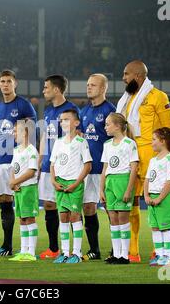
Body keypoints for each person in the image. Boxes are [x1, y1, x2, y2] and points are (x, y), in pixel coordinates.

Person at [116, 60, 170, 263]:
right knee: (131, 203)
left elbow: (169, 131)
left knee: (154, 203)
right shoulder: (127, 99)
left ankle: (158, 250)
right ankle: (132, 250)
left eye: (126, 74)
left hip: (153, 159)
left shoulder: (159, 97)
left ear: (138, 76)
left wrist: (168, 160)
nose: (123, 78)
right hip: (131, 158)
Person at [0, 69, 37, 257]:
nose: (5, 84)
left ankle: (26, 248)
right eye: (2, 81)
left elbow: (32, 131)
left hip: (18, 161)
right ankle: (7, 244)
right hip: (2, 162)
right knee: (5, 201)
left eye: (8, 81)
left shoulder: (24, 105)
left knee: (20, 204)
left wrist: (30, 158)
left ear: (15, 84)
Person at [39, 74, 80, 260]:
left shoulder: (71, 109)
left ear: (56, 89)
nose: (43, 91)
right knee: (49, 205)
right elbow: (44, 137)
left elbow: (78, 137)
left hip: (67, 168)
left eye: (46, 87)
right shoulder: (48, 112)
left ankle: (74, 250)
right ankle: (54, 248)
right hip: (49, 165)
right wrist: (40, 160)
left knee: (69, 209)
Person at [80, 73, 116, 261]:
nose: (89, 87)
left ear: (103, 89)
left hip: (105, 169)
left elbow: (116, 139)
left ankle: (116, 249)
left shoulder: (110, 110)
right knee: (88, 208)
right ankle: (94, 250)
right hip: (88, 169)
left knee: (111, 209)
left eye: (93, 85)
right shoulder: (84, 111)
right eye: (88, 84)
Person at [50, 110, 92, 264]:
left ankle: (77, 253)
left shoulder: (81, 142)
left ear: (76, 123)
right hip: (60, 183)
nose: (63, 123)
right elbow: (52, 164)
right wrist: (54, 181)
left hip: (75, 183)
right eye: (61, 120)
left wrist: (76, 184)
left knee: (75, 215)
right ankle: (65, 252)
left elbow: (88, 165)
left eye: (67, 119)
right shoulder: (58, 142)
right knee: (63, 217)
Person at [100, 113, 139, 264]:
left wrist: (129, 190)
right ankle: (116, 254)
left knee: (123, 219)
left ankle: (124, 255)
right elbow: (105, 168)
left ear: (117, 126)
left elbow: (134, 168)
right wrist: (101, 189)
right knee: (113, 220)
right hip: (110, 182)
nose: (105, 127)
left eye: (108, 124)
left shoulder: (129, 144)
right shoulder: (107, 145)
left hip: (123, 181)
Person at [144, 127, 170, 266]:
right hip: (152, 198)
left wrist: (159, 198)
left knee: (165, 227)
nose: (151, 142)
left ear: (163, 141)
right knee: (155, 227)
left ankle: (168, 256)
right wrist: (146, 196)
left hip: (165, 198)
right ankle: (159, 255)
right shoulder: (153, 160)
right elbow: (147, 179)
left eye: (154, 139)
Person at [8, 119, 39, 262]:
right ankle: (23, 250)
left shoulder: (31, 150)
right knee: (22, 219)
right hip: (19, 189)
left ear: (25, 132)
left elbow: (31, 171)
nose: (14, 133)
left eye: (16, 131)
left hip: (28, 188)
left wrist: (15, 181)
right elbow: (13, 168)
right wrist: (12, 182)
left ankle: (31, 252)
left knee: (29, 218)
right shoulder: (16, 150)